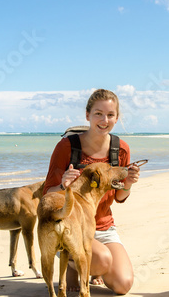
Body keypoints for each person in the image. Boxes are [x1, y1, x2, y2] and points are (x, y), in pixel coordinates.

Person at [43, 89, 140, 294]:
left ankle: (92, 265)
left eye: (110, 115)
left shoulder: (120, 149)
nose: (104, 120)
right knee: (103, 260)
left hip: (103, 226)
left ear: (117, 117)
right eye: (98, 113)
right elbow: (46, 193)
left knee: (123, 285)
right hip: (71, 226)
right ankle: (71, 265)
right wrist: (62, 184)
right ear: (87, 115)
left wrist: (128, 183)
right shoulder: (66, 147)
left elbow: (119, 197)